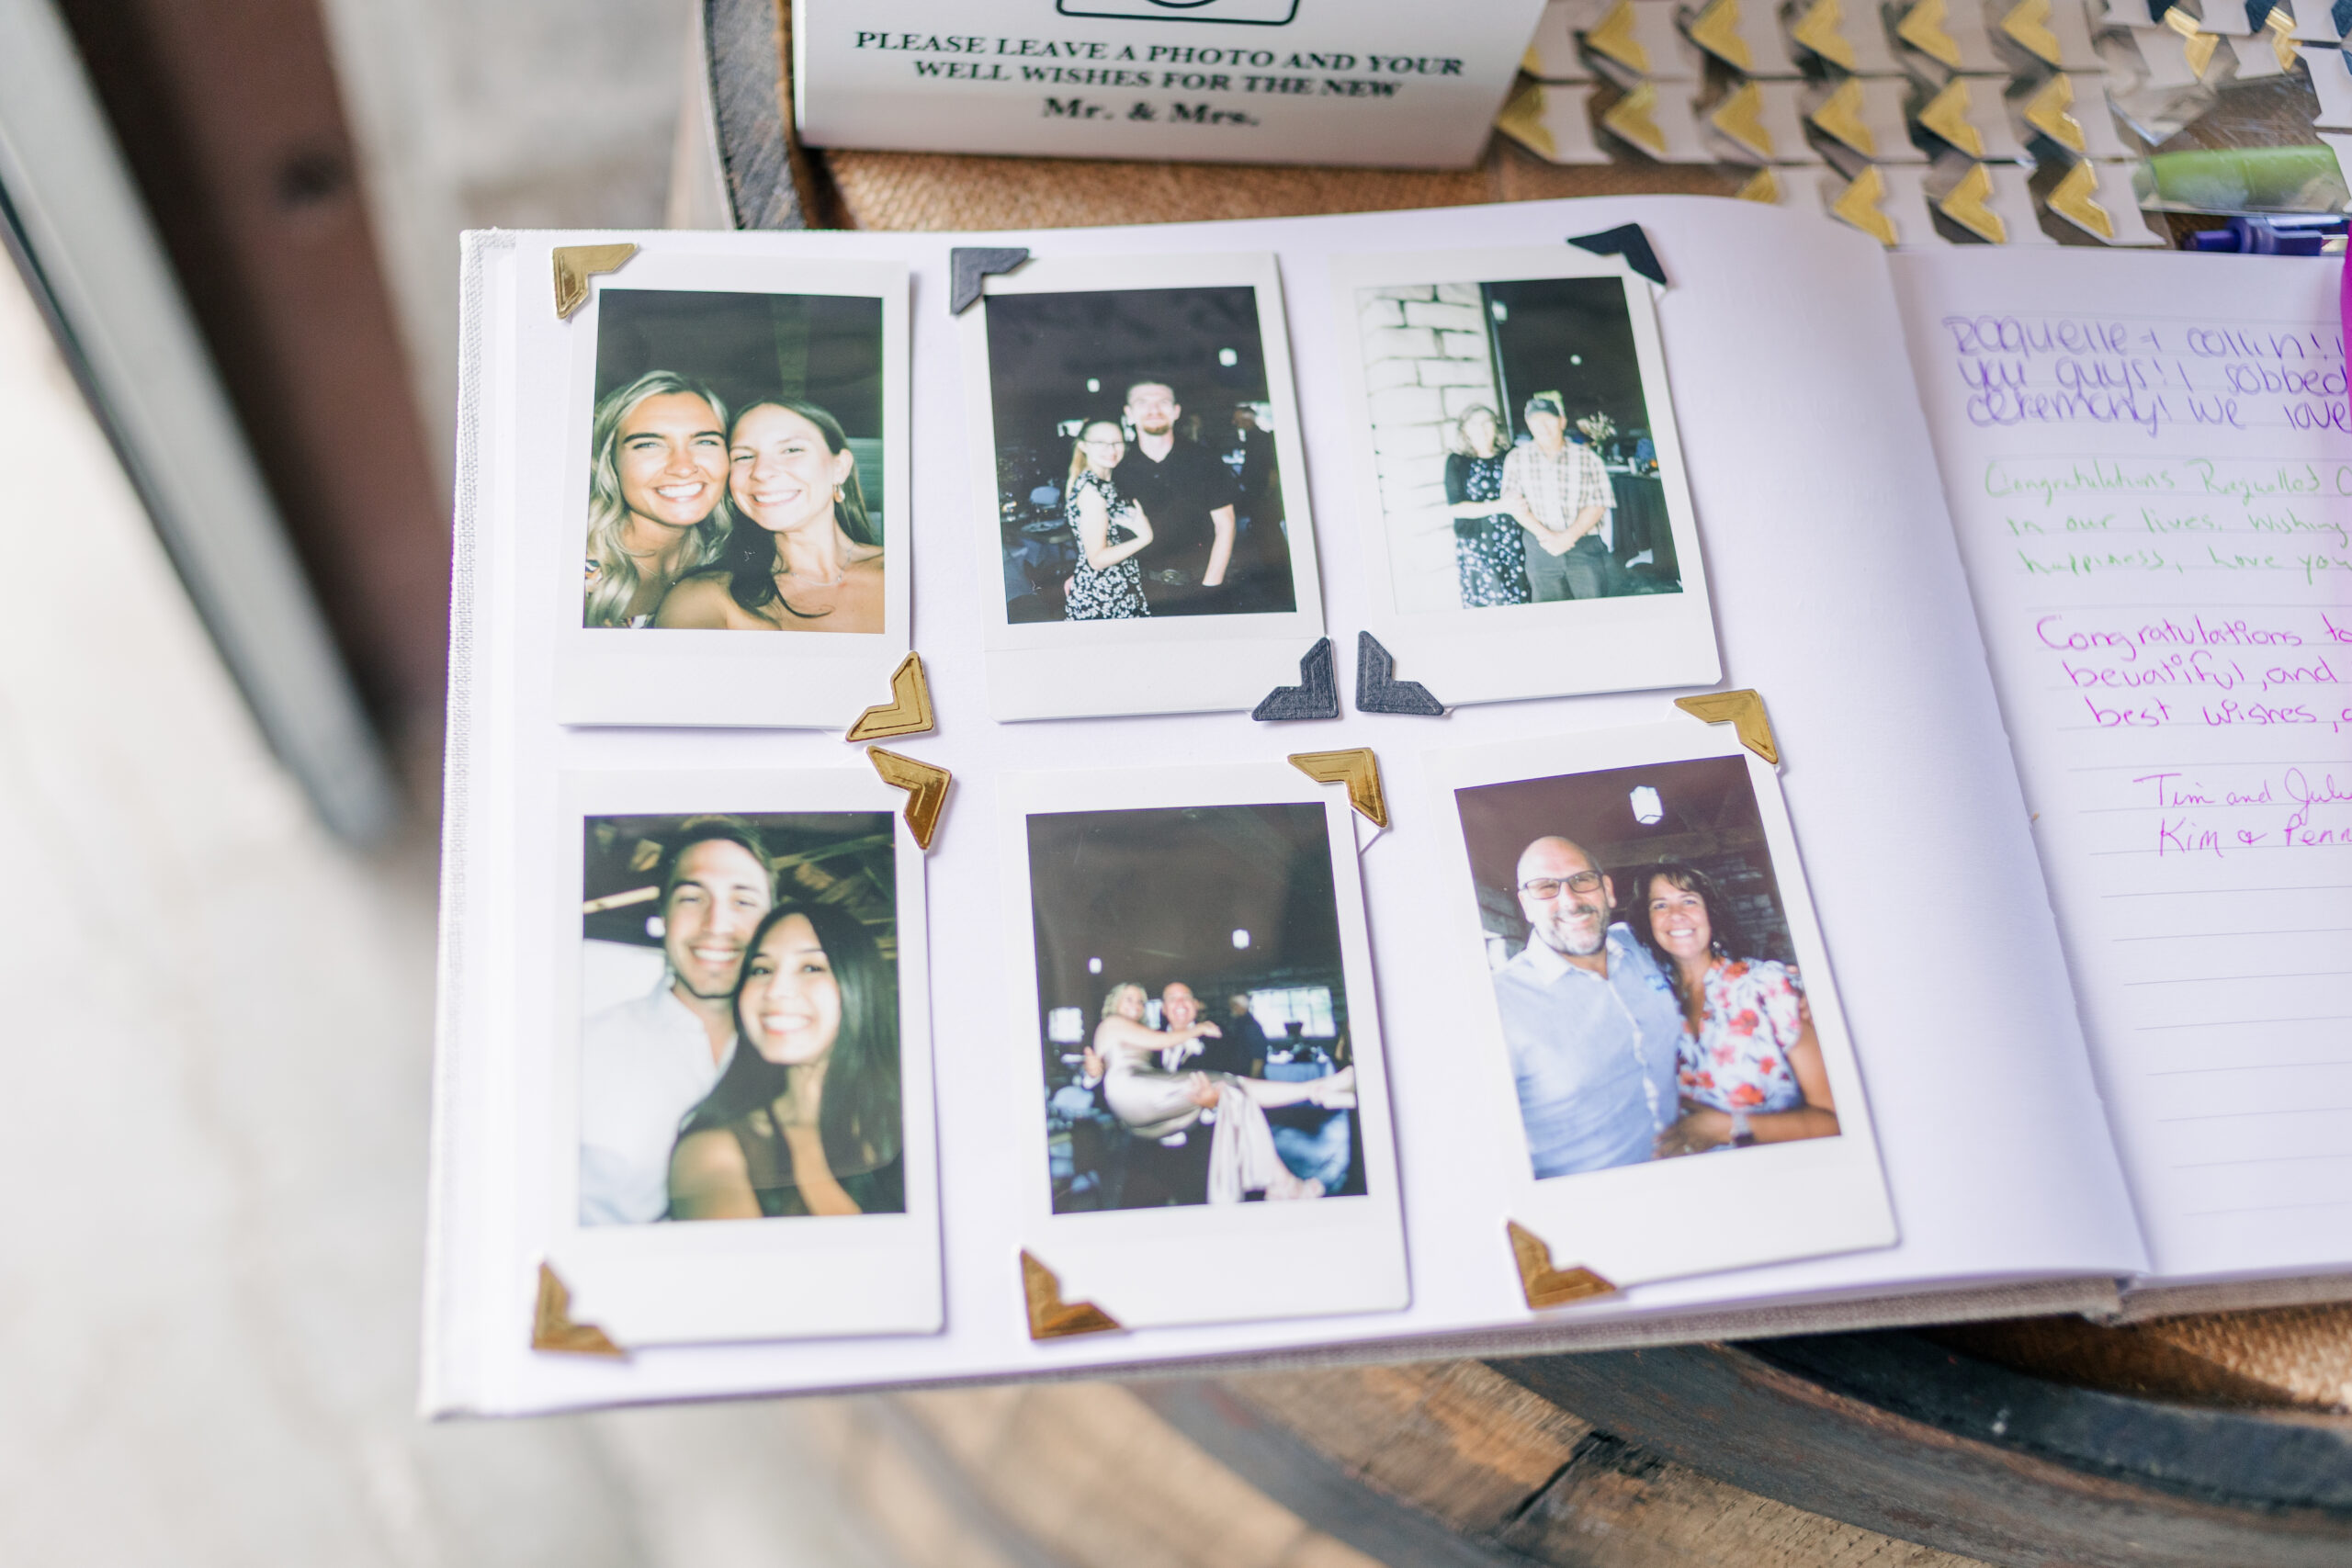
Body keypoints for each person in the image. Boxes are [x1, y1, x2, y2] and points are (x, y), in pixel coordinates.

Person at [579, 819, 775, 1224]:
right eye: (691, 897)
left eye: (743, 901)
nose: (716, 924)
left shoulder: (803, 1057)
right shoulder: (581, 1050)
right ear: (663, 914)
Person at [668, 901, 904, 1218]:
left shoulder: (917, 1122)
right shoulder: (714, 1151)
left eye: (811, 967)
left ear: (860, 985)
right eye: (762, 970)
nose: (775, 990)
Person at [1490, 836, 1682, 1178]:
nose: (1570, 900)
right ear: (1526, 906)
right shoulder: (1496, 1004)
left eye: (1582, 880)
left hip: (1689, 1164)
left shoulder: (1641, 944)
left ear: (1607, 890)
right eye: (1545, 887)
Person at [1632, 864, 1840, 1156]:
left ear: (1711, 913)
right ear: (1648, 921)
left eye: (1689, 900)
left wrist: (1726, 1127)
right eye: (1660, 905)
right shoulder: (1654, 1000)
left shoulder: (1766, 985)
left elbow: (1837, 1121)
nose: (1675, 914)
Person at [1091, 982, 1351, 1203]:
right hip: (1150, 1155)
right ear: (1163, 1009)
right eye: (1172, 998)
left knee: (1234, 1089)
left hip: (1203, 1153)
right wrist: (1093, 1075)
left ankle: (1315, 1093)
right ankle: (1315, 1093)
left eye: (1186, 997)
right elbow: (1111, 1095)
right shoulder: (1144, 1039)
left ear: (1196, 1005)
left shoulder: (1221, 1039)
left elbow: (1243, 1084)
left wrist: (1212, 1103)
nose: (1180, 1003)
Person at [657, 400, 884, 633]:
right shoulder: (705, 597)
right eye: (744, 457)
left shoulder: (903, 573)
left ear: (840, 467)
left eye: (791, 450)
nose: (762, 472)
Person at [582, 371, 732, 627]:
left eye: (705, 441)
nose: (683, 467)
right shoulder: (568, 572)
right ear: (610, 460)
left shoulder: (730, 556)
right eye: (649, 444)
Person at [1112, 381, 1245, 616]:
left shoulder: (1205, 460)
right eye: (1142, 403)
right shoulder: (1117, 469)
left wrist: (1211, 588)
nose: (1154, 410)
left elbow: (1226, 525)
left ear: (1176, 411)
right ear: (1129, 413)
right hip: (1139, 592)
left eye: (1163, 402)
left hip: (1202, 587)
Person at [1498, 393, 1621, 603]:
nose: (1543, 427)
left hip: (1584, 546)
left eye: (1549, 420)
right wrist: (1547, 536)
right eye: (1536, 421)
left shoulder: (1588, 457)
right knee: (1549, 612)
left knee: (1594, 608)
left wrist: (1567, 537)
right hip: (1540, 547)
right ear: (1528, 424)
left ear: (1562, 422)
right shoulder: (1516, 458)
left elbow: (1599, 503)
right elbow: (1514, 505)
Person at [1060, 419, 1152, 620]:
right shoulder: (1092, 491)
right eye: (1101, 443)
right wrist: (1145, 538)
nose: (1111, 449)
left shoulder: (1103, 482)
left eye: (1117, 442)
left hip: (1114, 586)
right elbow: (1097, 560)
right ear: (1083, 446)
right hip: (1104, 595)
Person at [1443, 405, 1530, 608]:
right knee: (1488, 604)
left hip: (1514, 541)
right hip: (1477, 546)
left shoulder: (1511, 456)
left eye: (1486, 422)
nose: (1481, 429)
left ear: (1496, 427)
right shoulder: (1457, 461)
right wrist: (1501, 505)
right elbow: (1456, 508)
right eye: (1473, 424)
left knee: (1521, 600)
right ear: (1464, 430)